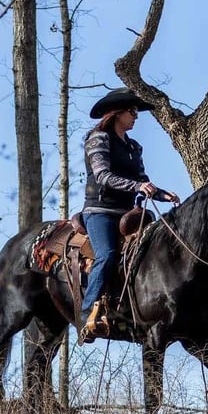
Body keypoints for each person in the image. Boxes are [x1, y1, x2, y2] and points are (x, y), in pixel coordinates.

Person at [80, 87, 179, 339]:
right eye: (132, 111)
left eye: (136, 112)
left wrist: (161, 194)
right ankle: (87, 313)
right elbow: (102, 176)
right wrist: (137, 187)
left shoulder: (135, 147)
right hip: (100, 211)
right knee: (108, 253)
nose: (136, 116)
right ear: (117, 113)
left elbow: (142, 179)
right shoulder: (98, 139)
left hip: (128, 213)